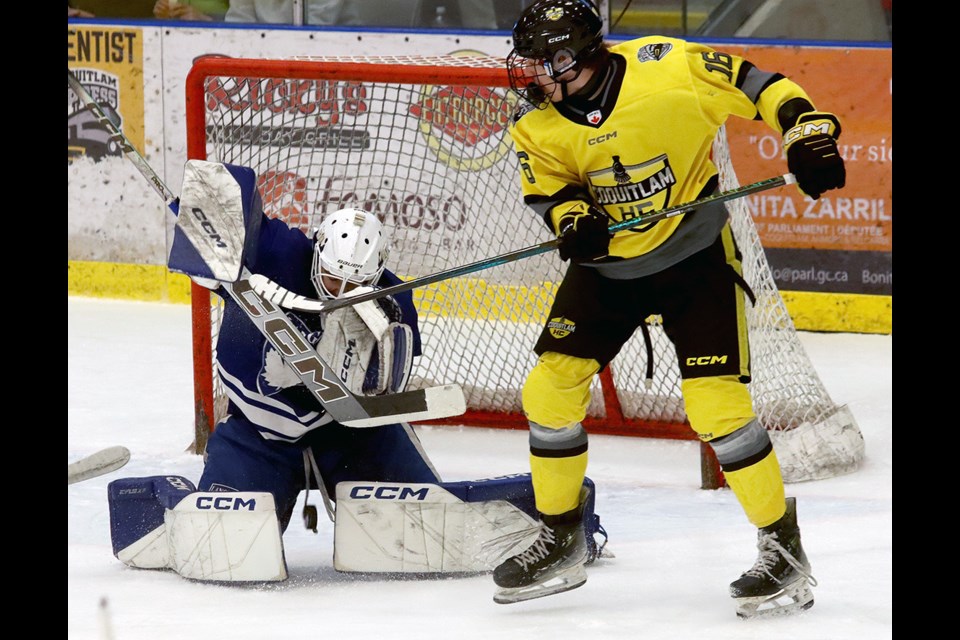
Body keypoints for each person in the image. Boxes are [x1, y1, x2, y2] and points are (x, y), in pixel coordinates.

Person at [491, 0, 845, 617]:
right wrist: (574, 218)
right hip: (608, 272)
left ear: (575, 56)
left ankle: (782, 549)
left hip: (696, 258)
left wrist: (807, 134)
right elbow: (551, 190)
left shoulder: (668, 67)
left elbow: (763, 86)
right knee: (548, 390)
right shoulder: (537, 127)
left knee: (717, 406)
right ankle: (562, 534)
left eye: (543, 64)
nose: (533, 77)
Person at [106, 161, 609, 582]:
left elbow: (381, 393)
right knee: (221, 550)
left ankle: (562, 519)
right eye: (330, 277)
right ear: (318, 252)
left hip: (349, 434)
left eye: (355, 283)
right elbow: (224, 214)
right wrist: (203, 228)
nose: (340, 289)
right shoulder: (279, 253)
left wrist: (373, 338)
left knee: (429, 528)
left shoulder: (392, 304)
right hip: (258, 431)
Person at [153, 0, 229, 21]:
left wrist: (206, 20)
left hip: (216, 42)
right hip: (174, 39)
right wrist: (161, 12)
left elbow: (238, 16)